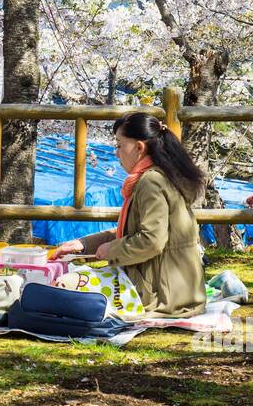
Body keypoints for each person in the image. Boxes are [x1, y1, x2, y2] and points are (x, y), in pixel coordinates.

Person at [53, 111, 207, 318]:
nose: (116, 153)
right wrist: (83, 244)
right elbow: (132, 231)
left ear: (139, 147)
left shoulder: (150, 182)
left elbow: (152, 241)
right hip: (177, 290)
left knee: (65, 284)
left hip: (162, 296)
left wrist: (112, 249)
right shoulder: (162, 175)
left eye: (119, 145)